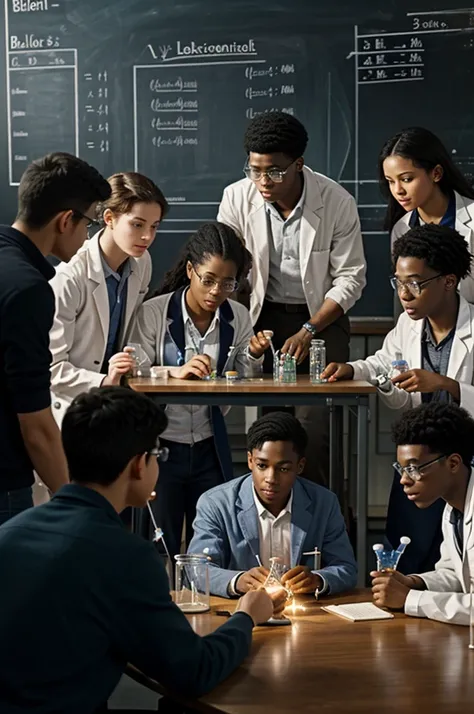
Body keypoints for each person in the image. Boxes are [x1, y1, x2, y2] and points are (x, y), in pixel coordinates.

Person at [0, 387, 283, 714]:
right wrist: (246, 616)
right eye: (157, 455)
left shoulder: (10, 533)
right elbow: (194, 671)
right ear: (138, 465)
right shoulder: (125, 555)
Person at [217, 110, 366, 486]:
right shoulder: (236, 197)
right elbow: (226, 265)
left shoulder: (336, 201)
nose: (263, 181)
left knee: (315, 434)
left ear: (299, 164)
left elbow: (351, 278)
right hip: (261, 316)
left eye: (275, 171)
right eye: (254, 170)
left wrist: (308, 329)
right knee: (272, 434)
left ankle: (326, 529)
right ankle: (275, 527)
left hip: (321, 320)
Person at [322, 223, 474, 573]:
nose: (404, 294)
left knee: (456, 557)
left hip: (460, 461)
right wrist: (352, 369)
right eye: (399, 283)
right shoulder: (409, 325)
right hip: (420, 459)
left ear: (448, 281)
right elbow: (383, 362)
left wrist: (447, 385)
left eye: (414, 283)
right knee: (408, 553)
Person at [131, 222, 272, 560]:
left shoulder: (236, 316)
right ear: (191, 270)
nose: (215, 292)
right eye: (208, 280)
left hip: (210, 445)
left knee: (209, 545)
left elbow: (243, 375)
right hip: (163, 447)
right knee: (158, 542)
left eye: (228, 283)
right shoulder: (155, 312)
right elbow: (134, 372)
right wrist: (173, 372)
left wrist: (252, 354)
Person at [0, 152, 110, 525]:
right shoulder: (29, 289)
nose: (88, 236)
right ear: (66, 221)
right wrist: (78, 507)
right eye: (89, 224)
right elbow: (36, 426)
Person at [188, 411, 357, 598]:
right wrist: (238, 581)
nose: (271, 478)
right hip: (240, 614)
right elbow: (197, 570)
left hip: (303, 615)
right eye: (262, 466)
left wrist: (318, 579)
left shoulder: (324, 503)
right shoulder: (215, 504)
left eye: (283, 469)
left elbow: (347, 568)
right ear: (250, 460)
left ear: (300, 466)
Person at [49, 171, 168, 426]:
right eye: (137, 224)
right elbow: (52, 369)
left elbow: (126, 336)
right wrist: (103, 380)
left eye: (154, 226)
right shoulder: (70, 277)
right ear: (109, 218)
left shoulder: (142, 262)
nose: (147, 236)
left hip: (115, 404)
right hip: (72, 408)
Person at [371, 402, 474, 626]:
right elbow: (456, 575)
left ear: (453, 463)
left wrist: (411, 599)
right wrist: (413, 583)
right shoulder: (452, 509)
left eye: (414, 468)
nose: (404, 480)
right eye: (401, 469)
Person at [379, 126, 474, 315]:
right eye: (390, 181)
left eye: (406, 179)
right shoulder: (402, 228)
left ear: (436, 173)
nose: (398, 190)